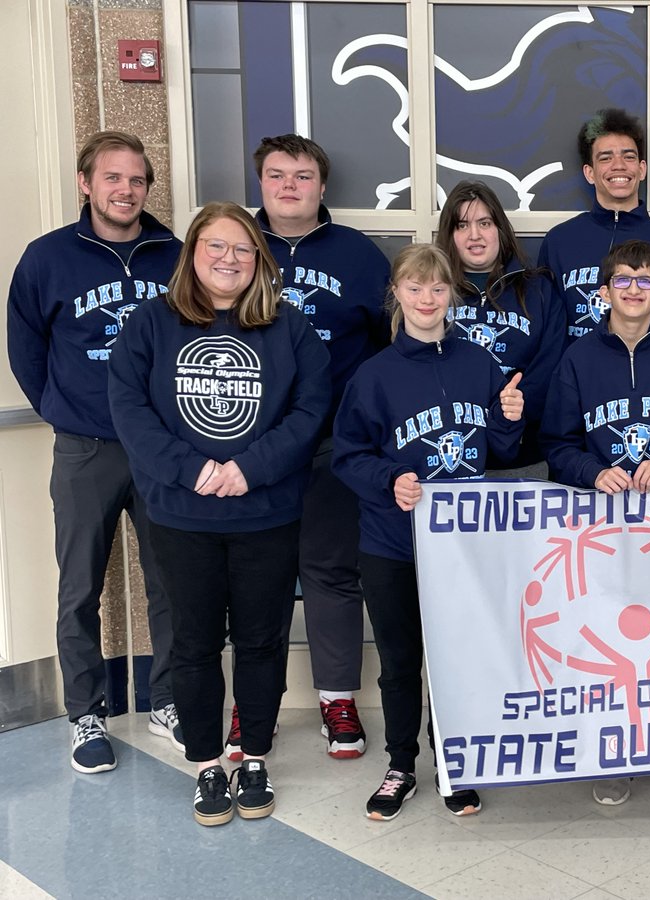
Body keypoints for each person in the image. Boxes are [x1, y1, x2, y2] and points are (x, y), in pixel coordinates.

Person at [107, 201, 331, 826]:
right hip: (182, 515)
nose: (230, 259)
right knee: (195, 644)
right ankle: (207, 765)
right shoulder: (150, 324)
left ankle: (254, 755)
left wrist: (249, 469)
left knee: (262, 641)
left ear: (258, 259)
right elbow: (129, 409)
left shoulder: (291, 330)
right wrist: (194, 470)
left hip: (266, 513)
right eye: (216, 246)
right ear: (192, 254)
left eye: (242, 249)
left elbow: (310, 412)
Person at [6, 130, 182, 772]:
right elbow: (25, 343)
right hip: (86, 446)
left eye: (136, 179)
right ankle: (86, 714)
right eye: (112, 178)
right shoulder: (48, 258)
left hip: (162, 447)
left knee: (171, 580)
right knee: (80, 584)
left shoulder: (174, 255)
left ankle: (168, 699)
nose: (125, 190)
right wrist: (58, 409)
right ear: (86, 183)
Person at [332, 245, 524, 821]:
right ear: (398, 294)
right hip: (392, 543)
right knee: (399, 658)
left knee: (455, 657)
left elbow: (503, 451)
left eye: (438, 289)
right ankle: (400, 763)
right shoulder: (374, 375)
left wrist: (509, 418)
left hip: (463, 546)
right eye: (415, 289)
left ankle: (453, 760)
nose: (427, 299)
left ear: (451, 295)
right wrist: (390, 479)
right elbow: (348, 456)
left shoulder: (480, 363)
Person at [236, 134, 391, 762]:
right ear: (262, 184)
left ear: (322, 186)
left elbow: (388, 345)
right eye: (277, 175)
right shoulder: (232, 248)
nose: (290, 186)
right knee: (259, 579)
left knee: (330, 571)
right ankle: (254, 707)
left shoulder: (358, 254)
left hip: (333, 443)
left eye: (303, 176)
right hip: (253, 448)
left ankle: (336, 697)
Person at [540, 239, 650, 812]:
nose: (633, 288)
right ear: (603, 291)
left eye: (644, 280)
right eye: (622, 280)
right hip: (604, 531)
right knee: (616, 642)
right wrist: (592, 471)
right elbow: (557, 445)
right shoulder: (578, 359)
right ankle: (618, 753)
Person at [435, 180, 565, 470]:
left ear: (500, 230)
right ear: (449, 234)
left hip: (525, 452)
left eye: (485, 223)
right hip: (450, 448)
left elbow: (551, 367)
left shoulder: (539, 290)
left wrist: (511, 415)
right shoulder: (433, 292)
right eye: (462, 225)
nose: (475, 235)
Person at [538, 108, 650, 344]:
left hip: (647, 377)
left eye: (628, 156)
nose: (618, 165)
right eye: (606, 157)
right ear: (590, 173)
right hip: (576, 377)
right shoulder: (559, 242)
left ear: (642, 169)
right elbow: (548, 331)